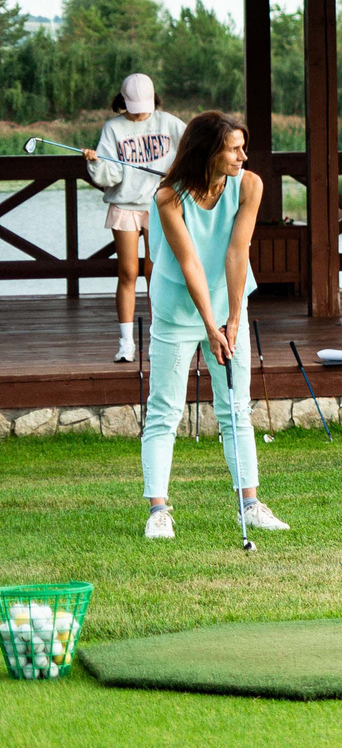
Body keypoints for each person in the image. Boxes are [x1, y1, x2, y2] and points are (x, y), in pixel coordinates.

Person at [141, 111, 287, 542]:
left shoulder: (250, 185)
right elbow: (189, 263)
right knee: (165, 410)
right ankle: (159, 511)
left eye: (244, 146)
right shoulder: (168, 197)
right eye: (234, 148)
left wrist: (232, 321)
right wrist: (209, 324)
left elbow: (237, 252)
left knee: (235, 408)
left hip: (227, 306)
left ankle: (250, 504)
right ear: (209, 152)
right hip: (178, 310)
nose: (244, 154)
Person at [84, 72, 186, 364]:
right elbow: (111, 175)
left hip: (159, 204)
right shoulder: (113, 129)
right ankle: (126, 342)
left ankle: (159, 339)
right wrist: (96, 164)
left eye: (145, 104)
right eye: (134, 104)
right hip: (126, 206)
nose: (140, 110)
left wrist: (178, 171)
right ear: (123, 101)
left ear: (154, 100)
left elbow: (193, 149)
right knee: (128, 273)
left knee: (156, 274)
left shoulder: (168, 123)